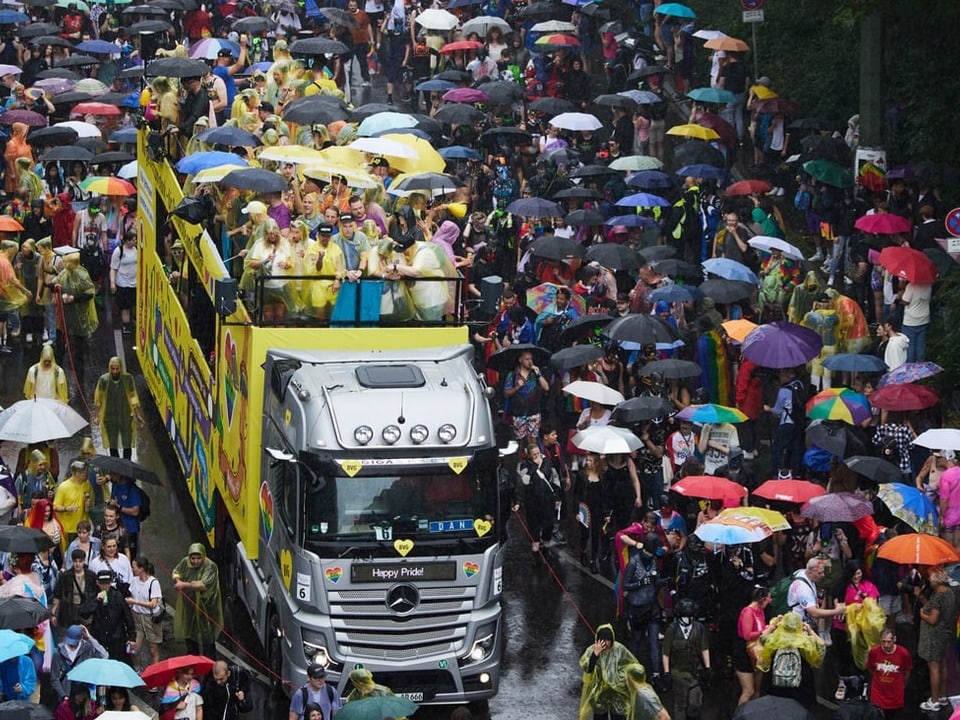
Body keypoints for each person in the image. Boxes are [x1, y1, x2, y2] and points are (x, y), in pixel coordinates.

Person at [755, 612, 826, 709]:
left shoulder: (774, 640)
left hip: (775, 685)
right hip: (801, 685)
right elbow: (822, 646)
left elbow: (762, 638)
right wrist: (810, 631)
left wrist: (773, 626)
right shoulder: (806, 642)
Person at [661, 597, 711, 720]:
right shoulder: (672, 630)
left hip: (695, 673)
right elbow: (665, 653)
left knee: (696, 703)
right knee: (680, 705)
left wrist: (708, 668)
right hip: (678, 674)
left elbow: (704, 648)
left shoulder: (699, 628)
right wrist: (667, 673)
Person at [52, 248, 98, 383]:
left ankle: (79, 376)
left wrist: (74, 298)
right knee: (61, 345)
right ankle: (59, 372)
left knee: (78, 350)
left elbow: (89, 293)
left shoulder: (83, 276)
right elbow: (53, 283)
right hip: (65, 317)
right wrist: (54, 288)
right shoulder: (64, 274)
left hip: (80, 319)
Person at [577, 623, 639, 720]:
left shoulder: (619, 650)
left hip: (617, 692)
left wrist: (621, 678)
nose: (605, 643)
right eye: (602, 640)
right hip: (599, 693)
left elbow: (632, 666)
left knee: (618, 716)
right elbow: (587, 668)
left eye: (608, 640)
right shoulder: (592, 650)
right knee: (600, 716)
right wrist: (595, 655)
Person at [172, 542, 223, 658]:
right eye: (193, 558)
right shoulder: (185, 562)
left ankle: (209, 666)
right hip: (190, 604)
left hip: (206, 607)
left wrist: (183, 584)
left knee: (207, 637)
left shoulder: (210, 567)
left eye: (198, 558)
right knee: (190, 633)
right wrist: (177, 580)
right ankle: (192, 662)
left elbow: (203, 585)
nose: (195, 561)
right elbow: (176, 571)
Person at [917, 566, 958, 712]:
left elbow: (932, 619)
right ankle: (942, 695)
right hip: (946, 634)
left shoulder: (938, 596)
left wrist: (922, 614)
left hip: (934, 637)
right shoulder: (949, 593)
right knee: (943, 665)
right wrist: (921, 597)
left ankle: (934, 701)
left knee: (934, 667)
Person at [93, 357, 145, 460]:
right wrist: (97, 416)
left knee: (127, 442)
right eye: (113, 369)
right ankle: (116, 465)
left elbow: (133, 397)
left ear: (121, 368)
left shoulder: (128, 379)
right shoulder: (104, 380)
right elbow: (98, 399)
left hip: (126, 416)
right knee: (112, 442)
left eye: (117, 368)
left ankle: (127, 463)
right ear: (110, 368)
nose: (115, 371)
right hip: (109, 416)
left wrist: (138, 415)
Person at [516, 442, 561, 554]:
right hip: (532, 499)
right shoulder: (524, 465)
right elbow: (525, 480)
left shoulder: (547, 462)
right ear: (529, 455)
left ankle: (546, 540)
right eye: (534, 454)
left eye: (538, 453)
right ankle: (535, 541)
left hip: (547, 498)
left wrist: (557, 495)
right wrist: (534, 467)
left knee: (548, 521)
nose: (537, 456)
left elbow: (554, 478)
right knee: (533, 522)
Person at [86, 568, 136, 661]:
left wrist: (132, 637)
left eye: (107, 583)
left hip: (116, 637)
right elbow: (84, 613)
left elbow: (128, 617)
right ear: (97, 583)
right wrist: (96, 601)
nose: (104, 586)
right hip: (99, 637)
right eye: (102, 584)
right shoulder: (93, 595)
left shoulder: (118, 596)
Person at [50, 625, 109, 703]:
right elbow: (54, 679)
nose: (72, 645)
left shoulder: (88, 648)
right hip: (67, 696)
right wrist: (63, 696)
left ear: (81, 638)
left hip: (85, 694)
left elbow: (104, 655)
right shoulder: (58, 653)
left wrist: (89, 638)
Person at [503, 350, 550, 441]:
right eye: (527, 359)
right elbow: (506, 393)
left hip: (534, 411)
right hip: (518, 412)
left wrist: (539, 373)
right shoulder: (512, 375)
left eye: (531, 359)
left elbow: (546, 387)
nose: (530, 361)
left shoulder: (534, 374)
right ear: (520, 360)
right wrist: (517, 387)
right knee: (520, 440)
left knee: (533, 439)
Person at [735, 585, 771, 705]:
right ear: (762, 600)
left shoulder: (760, 611)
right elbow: (747, 635)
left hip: (757, 651)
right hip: (744, 652)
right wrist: (765, 631)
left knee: (757, 690)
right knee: (748, 691)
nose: (769, 603)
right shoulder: (748, 612)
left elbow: (761, 627)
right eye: (768, 600)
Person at [787, 557, 846, 627]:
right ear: (810, 572)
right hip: (798, 625)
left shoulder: (802, 572)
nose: (823, 575)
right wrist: (836, 611)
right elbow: (814, 612)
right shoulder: (803, 589)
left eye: (823, 572)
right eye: (819, 573)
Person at [866, 628, 912, 719]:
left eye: (888, 642)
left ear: (894, 639)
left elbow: (907, 671)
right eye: (883, 642)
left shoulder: (904, 653)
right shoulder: (874, 652)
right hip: (878, 694)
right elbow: (870, 668)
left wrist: (902, 684)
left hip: (895, 695)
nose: (886, 645)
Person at [127, 556, 163, 670]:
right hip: (137, 617)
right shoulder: (134, 581)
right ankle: (137, 669)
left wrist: (135, 602)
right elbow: (132, 597)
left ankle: (154, 673)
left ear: (141, 568)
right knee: (134, 648)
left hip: (150, 619)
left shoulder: (153, 583)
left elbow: (153, 604)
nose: (133, 569)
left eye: (134, 567)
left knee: (153, 648)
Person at [51, 548, 98, 631]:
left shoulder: (91, 576)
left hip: (86, 611)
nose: (78, 564)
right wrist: (53, 612)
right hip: (69, 611)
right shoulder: (65, 576)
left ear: (84, 561)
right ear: (72, 561)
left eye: (80, 561)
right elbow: (58, 594)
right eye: (75, 561)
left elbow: (96, 593)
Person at [53, 460, 93, 544]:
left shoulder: (87, 484)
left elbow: (91, 502)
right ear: (77, 473)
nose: (87, 475)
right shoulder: (63, 487)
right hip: (68, 529)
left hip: (83, 527)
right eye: (85, 473)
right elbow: (55, 507)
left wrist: (89, 504)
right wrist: (67, 508)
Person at [108, 230, 138, 335]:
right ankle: (126, 326)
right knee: (125, 306)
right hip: (123, 283)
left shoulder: (137, 250)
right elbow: (113, 268)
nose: (135, 242)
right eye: (133, 240)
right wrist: (112, 283)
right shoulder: (119, 251)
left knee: (134, 304)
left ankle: (133, 321)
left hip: (135, 283)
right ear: (126, 241)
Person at [109, 474, 143, 557]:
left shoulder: (132, 489)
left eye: (113, 472)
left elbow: (135, 511)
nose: (111, 475)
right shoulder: (116, 487)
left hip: (130, 529)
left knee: (130, 555)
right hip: (117, 528)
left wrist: (119, 507)